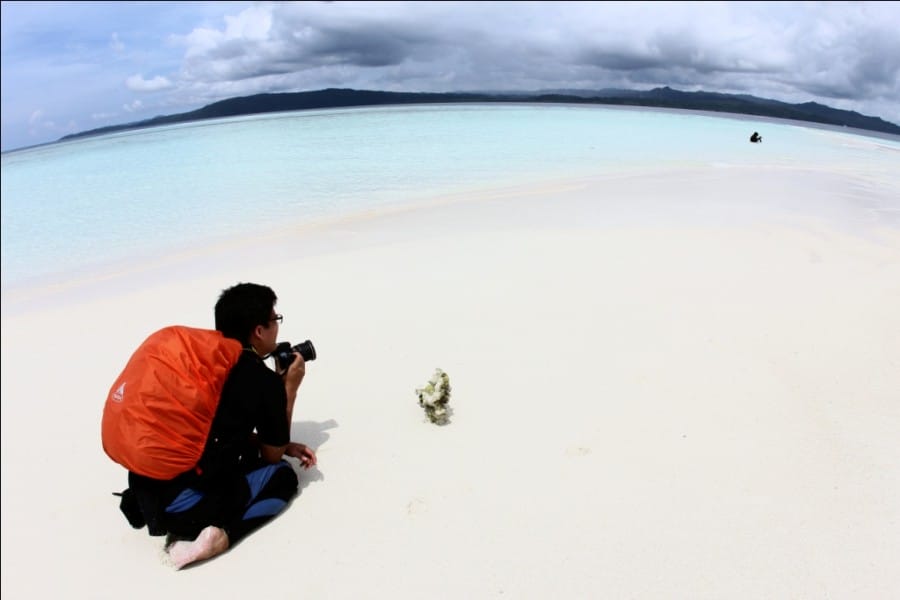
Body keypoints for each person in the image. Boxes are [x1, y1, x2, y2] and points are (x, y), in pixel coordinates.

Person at [126, 282, 317, 569]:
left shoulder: (202, 363)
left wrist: (274, 439)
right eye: (274, 320)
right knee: (282, 477)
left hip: (145, 492)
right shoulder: (260, 380)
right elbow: (272, 456)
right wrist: (288, 387)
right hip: (185, 508)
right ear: (259, 331)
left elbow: (210, 428)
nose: (277, 327)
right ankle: (220, 538)